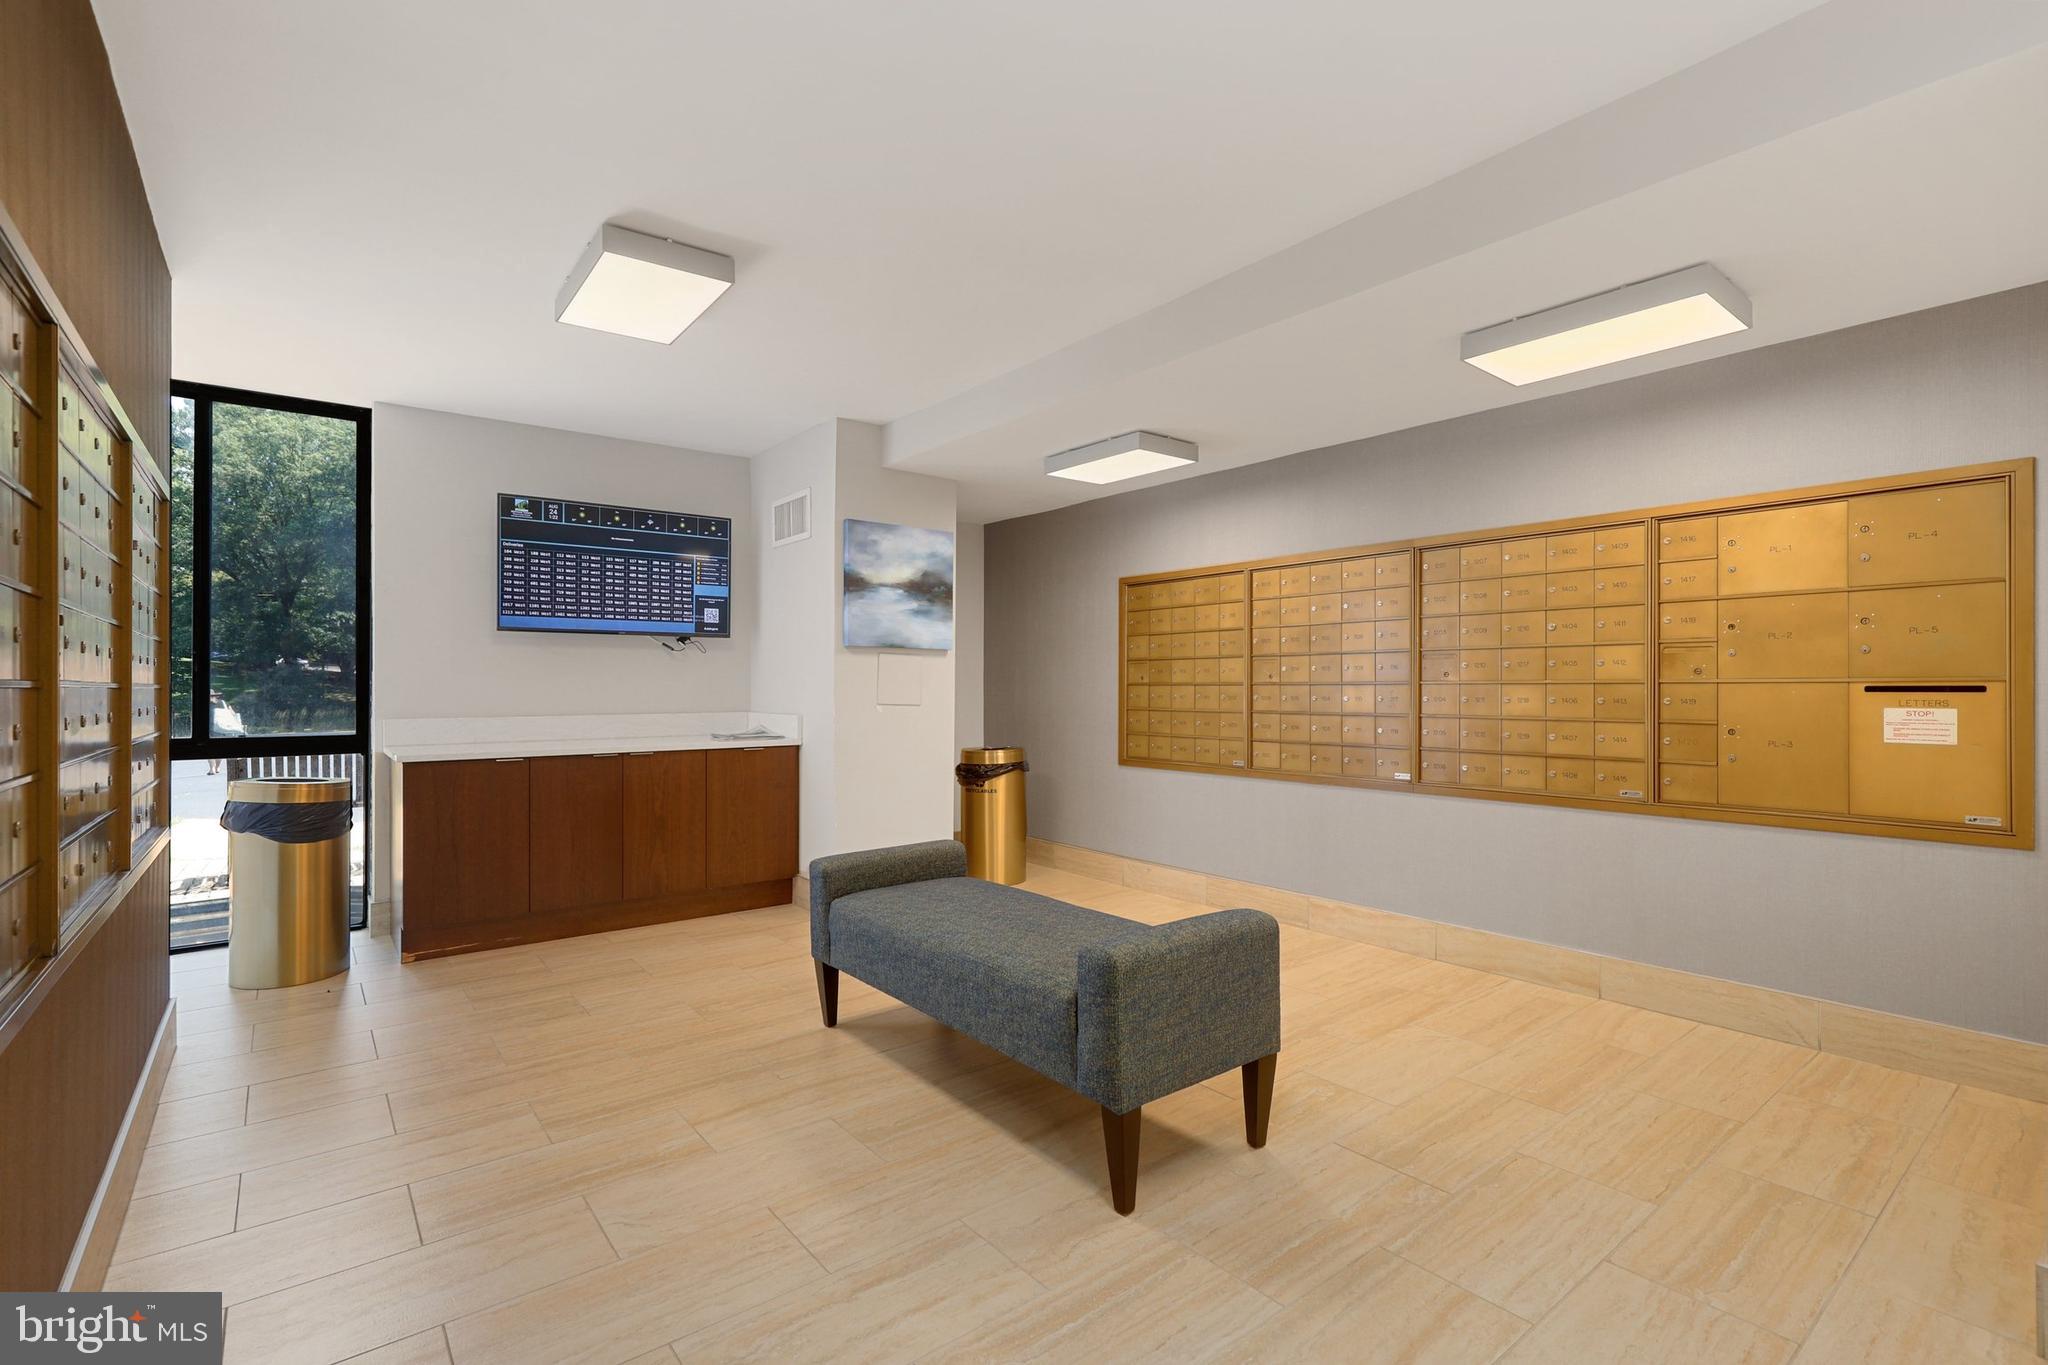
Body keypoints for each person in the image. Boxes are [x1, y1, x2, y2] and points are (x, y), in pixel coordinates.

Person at [206, 690, 246, 774]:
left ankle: (212, 768)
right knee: (218, 748)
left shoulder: (204, 704)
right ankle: (217, 767)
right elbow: (231, 713)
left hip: (209, 728)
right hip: (220, 728)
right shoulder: (222, 703)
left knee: (210, 749)